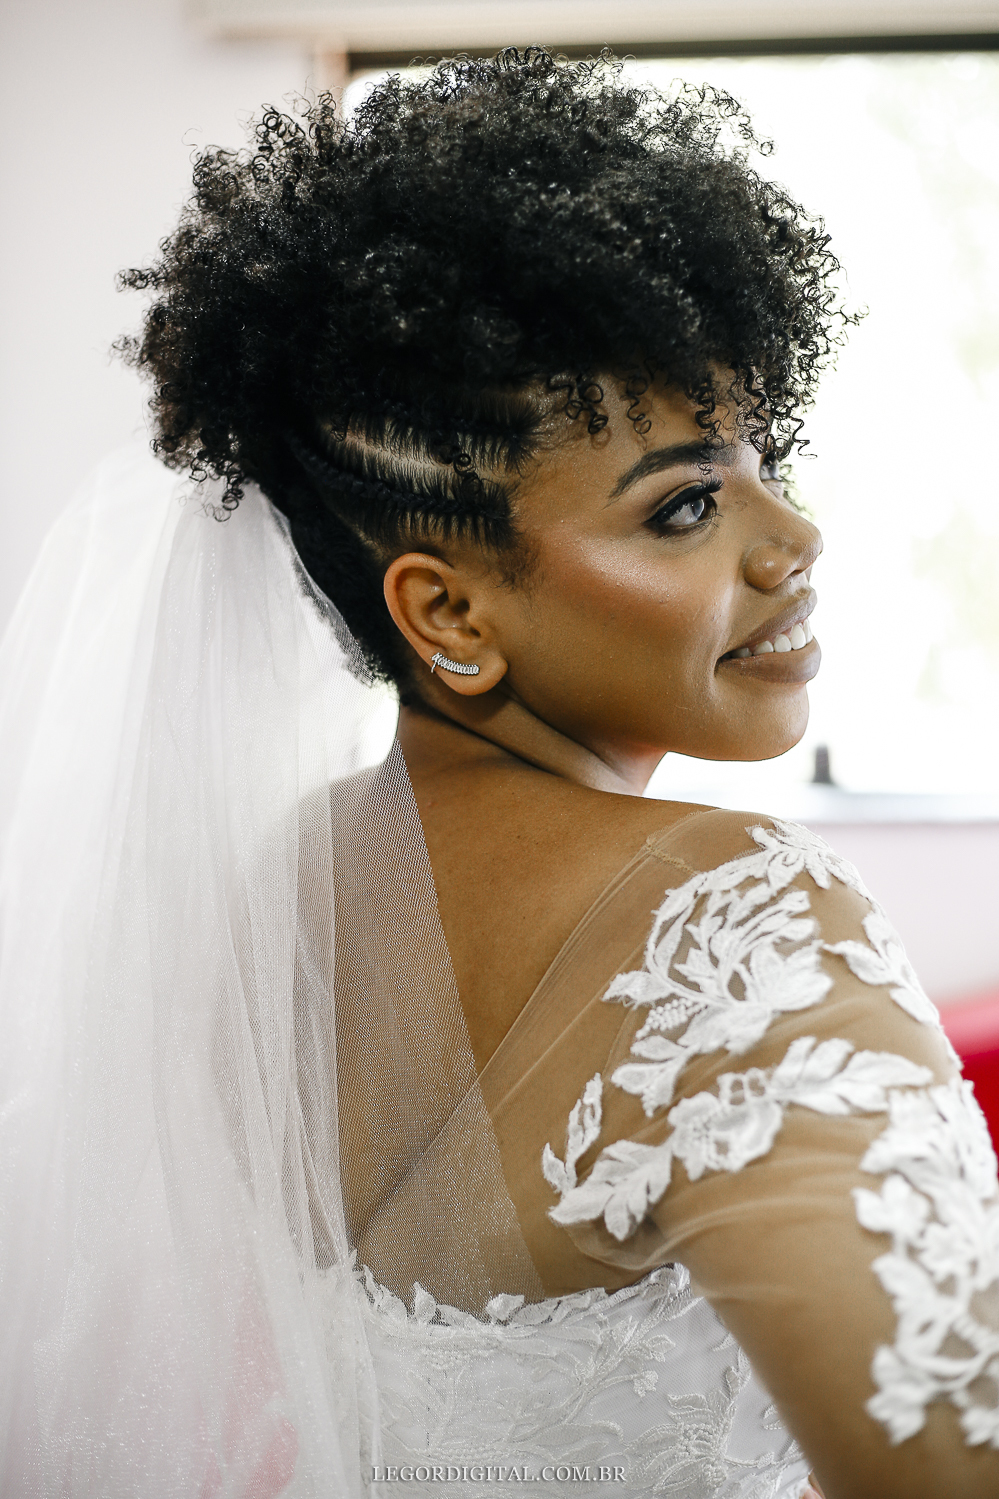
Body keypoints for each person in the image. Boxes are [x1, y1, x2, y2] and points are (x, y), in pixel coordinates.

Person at [1, 46, 997, 1499]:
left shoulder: (284, 895)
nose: (794, 542)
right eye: (687, 507)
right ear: (451, 616)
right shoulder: (740, 917)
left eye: (760, 462)